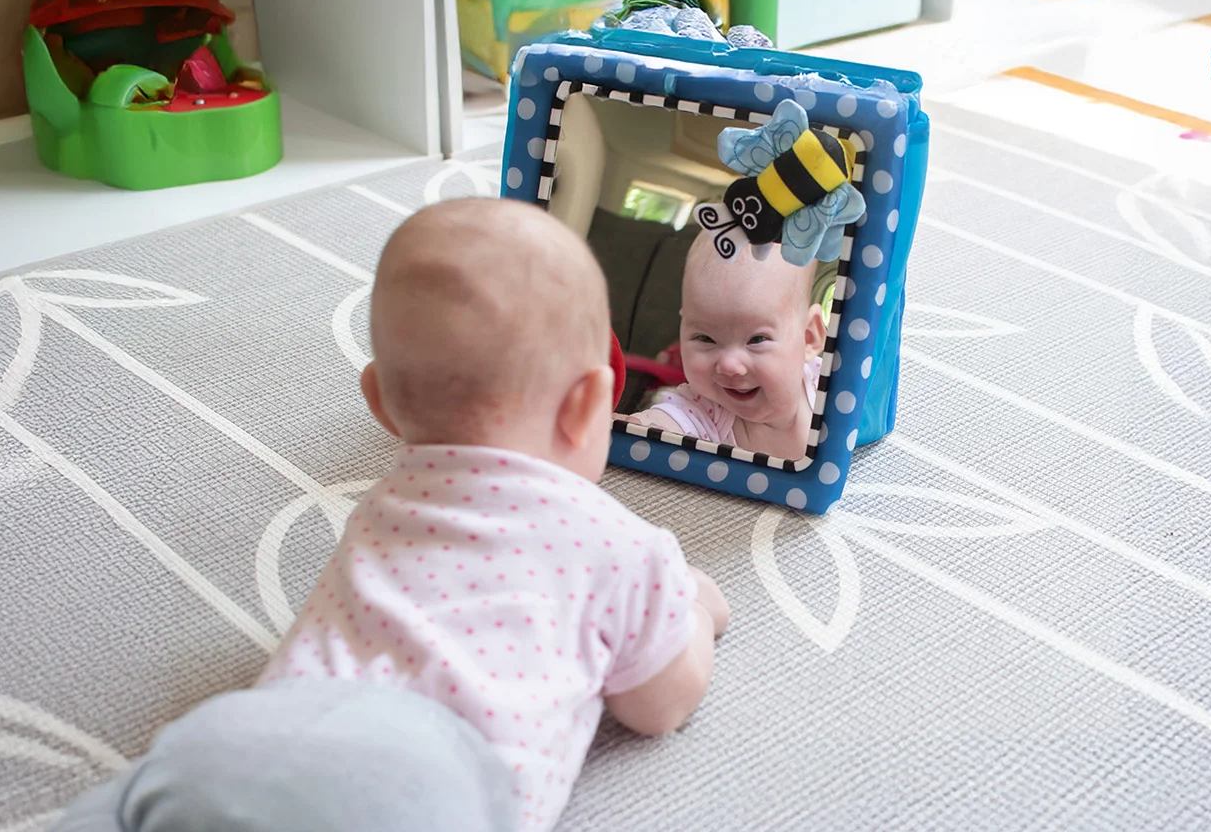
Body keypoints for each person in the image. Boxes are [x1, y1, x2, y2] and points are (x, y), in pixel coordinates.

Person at [53, 198, 730, 832]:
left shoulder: (387, 501)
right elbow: (659, 705)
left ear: (379, 401)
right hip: (419, 776)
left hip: (237, 734)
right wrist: (693, 607)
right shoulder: (622, 544)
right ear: (589, 404)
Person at [617, 234, 826, 460]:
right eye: (705, 338)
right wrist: (637, 426)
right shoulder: (703, 409)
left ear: (809, 337)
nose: (729, 365)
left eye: (756, 339)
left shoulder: (829, 390)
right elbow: (667, 422)